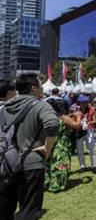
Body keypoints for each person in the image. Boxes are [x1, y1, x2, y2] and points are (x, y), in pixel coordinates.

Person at [0, 73, 60, 220]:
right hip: (31, 164)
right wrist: (47, 147)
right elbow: (53, 123)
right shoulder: (40, 105)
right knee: (29, 210)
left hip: (6, 164)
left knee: (4, 208)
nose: (42, 88)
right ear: (33, 88)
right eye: (40, 85)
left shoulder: (5, 108)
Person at [44, 98, 81, 192]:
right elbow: (77, 126)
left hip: (50, 142)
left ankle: (48, 182)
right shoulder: (63, 117)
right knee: (61, 163)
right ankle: (57, 185)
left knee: (50, 163)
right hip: (61, 143)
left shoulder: (49, 117)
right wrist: (79, 116)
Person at [75, 95, 96, 174]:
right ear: (79, 103)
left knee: (91, 149)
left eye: (85, 102)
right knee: (80, 150)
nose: (84, 104)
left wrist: (88, 123)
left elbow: (95, 121)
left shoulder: (91, 110)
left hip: (89, 130)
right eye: (82, 103)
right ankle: (82, 166)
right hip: (79, 131)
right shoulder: (76, 110)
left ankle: (93, 166)